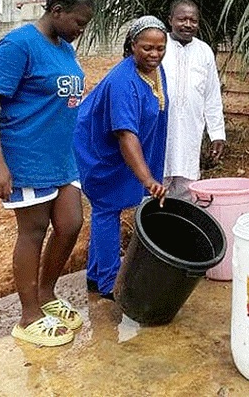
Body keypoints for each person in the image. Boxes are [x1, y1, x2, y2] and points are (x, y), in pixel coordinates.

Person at [0, 0, 95, 347]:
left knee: (71, 224)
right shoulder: (19, 44)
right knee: (33, 230)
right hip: (25, 155)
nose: (81, 31)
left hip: (61, 157)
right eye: (78, 22)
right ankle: (29, 316)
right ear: (56, 11)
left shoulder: (64, 49)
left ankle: (47, 293)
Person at [74, 16, 169, 300]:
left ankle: (94, 276)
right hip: (102, 153)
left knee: (107, 210)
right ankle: (109, 284)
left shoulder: (155, 71)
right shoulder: (123, 81)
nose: (154, 55)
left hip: (123, 154)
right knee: (107, 209)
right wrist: (148, 178)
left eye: (160, 48)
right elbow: (126, 135)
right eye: (146, 48)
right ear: (131, 46)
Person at [162, 0, 227, 201]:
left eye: (193, 20)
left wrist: (217, 134)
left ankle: (180, 229)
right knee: (155, 185)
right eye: (182, 19)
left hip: (190, 131)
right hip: (160, 129)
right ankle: (149, 230)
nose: (188, 24)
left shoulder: (204, 51)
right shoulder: (158, 45)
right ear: (170, 20)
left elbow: (212, 96)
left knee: (187, 190)